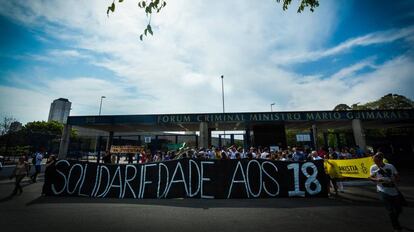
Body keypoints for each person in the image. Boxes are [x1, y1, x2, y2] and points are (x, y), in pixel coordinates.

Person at [369, 152, 403, 232]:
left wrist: (393, 180)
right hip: (382, 190)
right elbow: (371, 177)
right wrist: (377, 180)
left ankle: (395, 220)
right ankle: (396, 227)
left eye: (376, 161)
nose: (375, 163)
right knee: (390, 210)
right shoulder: (373, 167)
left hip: (393, 190)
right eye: (374, 161)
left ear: (381, 160)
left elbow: (397, 177)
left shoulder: (390, 166)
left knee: (398, 210)